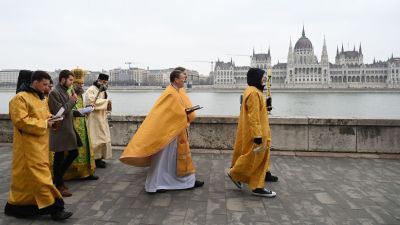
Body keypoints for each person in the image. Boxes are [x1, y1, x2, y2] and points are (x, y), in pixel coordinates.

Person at [120, 69, 204, 193]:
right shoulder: (170, 93)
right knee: (165, 160)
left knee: (171, 160)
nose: (185, 80)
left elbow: (174, 112)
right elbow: (168, 114)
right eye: (183, 78)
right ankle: (158, 184)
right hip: (168, 134)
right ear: (176, 79)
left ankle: (186, 181)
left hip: (174, 131)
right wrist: (185, 113)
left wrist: (185, 112)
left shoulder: (176, 91)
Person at [5, 70, 73, 220]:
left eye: (48, 85)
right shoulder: (19, 98)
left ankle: (18, 207)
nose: (46, 88)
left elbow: (45, 115)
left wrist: (53, 119)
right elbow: (21, 121)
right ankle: (56, 208)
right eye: (44, 84)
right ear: (34, 82)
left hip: (41, 145)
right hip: (27, 148)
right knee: (42, 178)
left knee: (30, 180)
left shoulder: (41, 98)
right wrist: (45, 123)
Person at [227, 68, 276, 198]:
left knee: (255, 158)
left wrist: (267, 106)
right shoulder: (253, 93)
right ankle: (255, 185)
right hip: (257, 133)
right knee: (254, 158)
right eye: (262, 77)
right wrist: (258, 136)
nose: (264, 79)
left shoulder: (255, 92)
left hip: (259, 131)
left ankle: (250, 179)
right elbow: (253, 117)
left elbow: (258, 111)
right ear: (256, 78)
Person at [61, 68, 98, 180]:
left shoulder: (80, 94)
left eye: (82, 83)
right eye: (79, 83)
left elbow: (81, 107)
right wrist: (80, 111)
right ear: (73, 83)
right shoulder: (67, 93)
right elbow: (64, 110)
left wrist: (88, 109)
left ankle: (86, 172)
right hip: (72, 125)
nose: (81, 85)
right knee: (73, 150)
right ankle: (71, 173)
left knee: (85, 148)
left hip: (82, 123)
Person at [48, 70, 80, 197]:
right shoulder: (54, 93)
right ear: (62, 79)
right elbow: (59, 112)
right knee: (59, 157)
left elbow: (68, 110)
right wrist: (72, 101)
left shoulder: (65, 91)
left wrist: (81, 112)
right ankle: (59, 184)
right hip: (60, 130)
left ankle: (58, 179)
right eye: (70, 80)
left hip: (68, 128)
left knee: (73, 153)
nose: (72, 83)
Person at [84, 73, 112, 168]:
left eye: (106, 82)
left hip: (102, 117)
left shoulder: (103, 90)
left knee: (103, 138)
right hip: (94, 118)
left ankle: (100, 157)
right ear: (99, 80)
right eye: (103, 82)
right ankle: (95, 159)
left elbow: (102, 101)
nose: (104, 84)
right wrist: (107, 102)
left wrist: (107, 103)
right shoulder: (91, 90)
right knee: (95, 138)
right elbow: (91, 102)